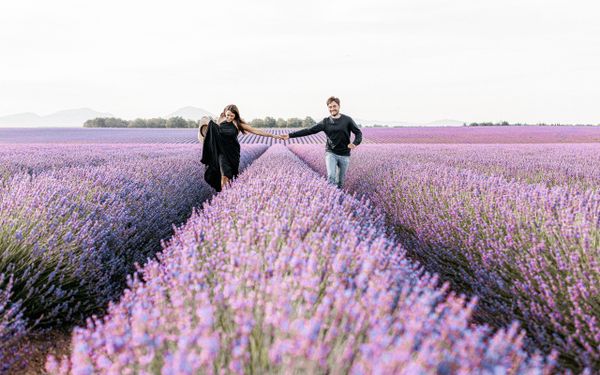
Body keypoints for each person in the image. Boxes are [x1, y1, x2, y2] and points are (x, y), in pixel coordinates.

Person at [282, 96, 362, 188]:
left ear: (339, 106)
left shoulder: (347, 120)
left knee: (340, 181)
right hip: (331, 153)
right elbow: (309, 130)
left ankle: (339, 198)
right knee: (331, 176)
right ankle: (331, 199)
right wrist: (290, 135)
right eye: (330, 107)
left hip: (345, 154)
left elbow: (358, 133)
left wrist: (355, 143)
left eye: (334, 106)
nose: (332, 109)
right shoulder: (325, 122)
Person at [199, 104, 283, 191]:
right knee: (224, 175)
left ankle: (230, 193)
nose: (229, 117)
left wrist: (273, 135)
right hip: (222, 152)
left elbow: (255, 131)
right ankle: (224, 195)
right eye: (228, 115)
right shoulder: (220, 120)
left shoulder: (238, 123)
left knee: (231, 175)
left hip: (233, 153)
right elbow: (213, 133)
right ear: (225, 113)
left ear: (236, 115)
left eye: (232, 115)